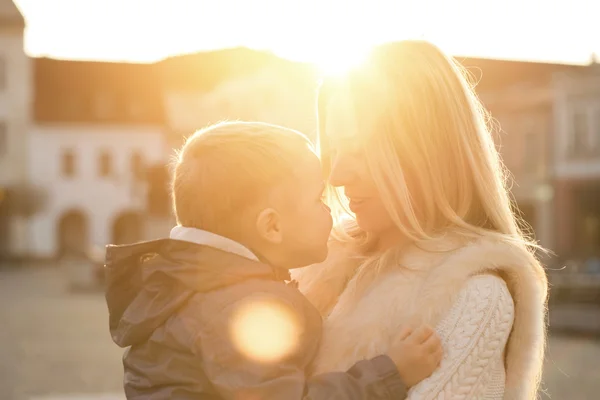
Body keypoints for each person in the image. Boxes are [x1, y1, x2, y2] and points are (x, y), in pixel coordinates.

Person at [104, 121, 443, 399]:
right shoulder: (244, 308)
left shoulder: (192, 288)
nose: (330, 209)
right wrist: (391, 373)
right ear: (272, 226)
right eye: (318, 199)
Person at [293, 41, 549, 399]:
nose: (336, 174)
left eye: (361, 150)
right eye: (335, 149)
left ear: (425, 152)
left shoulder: (476, 296)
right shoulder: (311, 263)